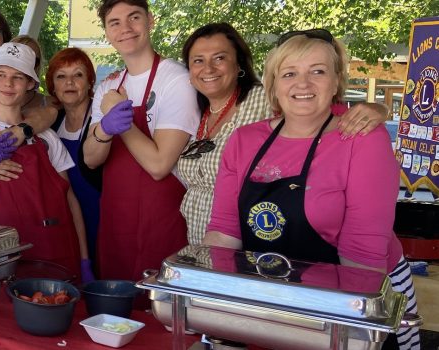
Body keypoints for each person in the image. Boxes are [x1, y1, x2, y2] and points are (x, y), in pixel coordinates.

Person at [203, 29, 419, 350]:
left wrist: (350, 328)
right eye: (289, 73)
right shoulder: (244, 140)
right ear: (273, 86)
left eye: (317, 71)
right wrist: (214, 304)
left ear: (336, 82)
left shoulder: (361, 138)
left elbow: (363, 253)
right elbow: (224, 232)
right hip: (273, 292)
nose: (302, 84)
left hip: (358, 293)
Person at [177, 23, 389, 245]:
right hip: (211, 242)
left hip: (335, 271)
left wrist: (377, 109)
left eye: (219, 58)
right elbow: (224, 230)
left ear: (239, 63)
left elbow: (318, 113)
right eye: (198, 60)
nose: (208, 68)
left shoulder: (262, 100)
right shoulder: (197, 109)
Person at [0, 42, 92, 282]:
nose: (8, 83)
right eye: (1, 75)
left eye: (17, 77)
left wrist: (84, 259)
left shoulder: (46, 136)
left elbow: (69, 200)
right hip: (4, 259)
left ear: (30, 85)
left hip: (56, 254)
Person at [82, 0, 197, 288]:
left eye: (134, 18)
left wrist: (125, 123)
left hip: (162, 220)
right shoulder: (108, 86)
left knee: (158, 311)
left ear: (150, 21)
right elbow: (91, 158)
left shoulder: (178, 80)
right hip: (116, 221)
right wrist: (105, 129)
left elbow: (159, 166)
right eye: (115, 23)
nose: (126, 29)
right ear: (107, 32)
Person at [46, 48, 102, 264]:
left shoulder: (101, 121)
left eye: (78, 74)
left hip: (102, 219)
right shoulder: (51, 124)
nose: (69, 82)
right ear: (53, 86)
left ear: (90, 82)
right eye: (61, 76)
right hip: (66, 222)